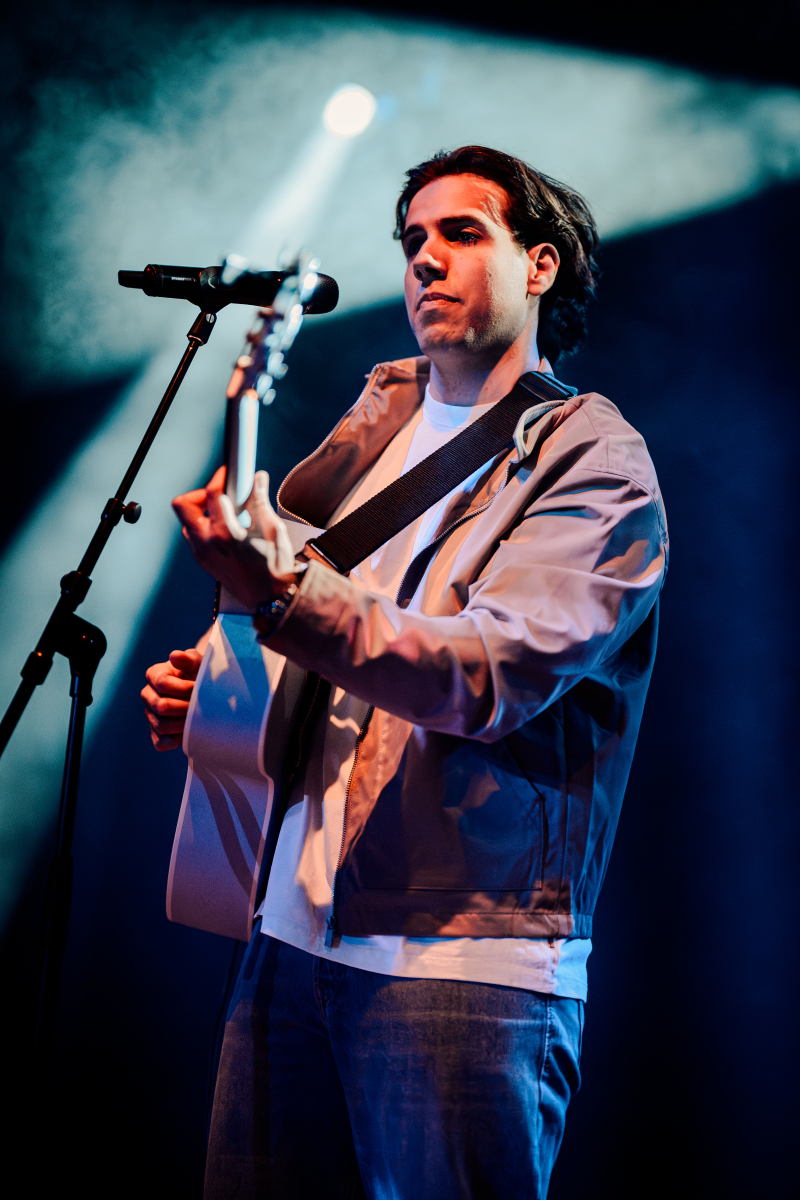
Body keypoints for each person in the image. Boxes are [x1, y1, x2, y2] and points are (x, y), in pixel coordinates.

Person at [142, 145, 667, 1199]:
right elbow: (325, 654)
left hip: (456, 962)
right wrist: (223, 703)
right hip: (286, 937)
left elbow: (486, 676)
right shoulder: (368, 435)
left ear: (541, 265)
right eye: (412, 239)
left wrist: (287, 595)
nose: (425, 258)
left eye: (462, 233)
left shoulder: (595, 463)